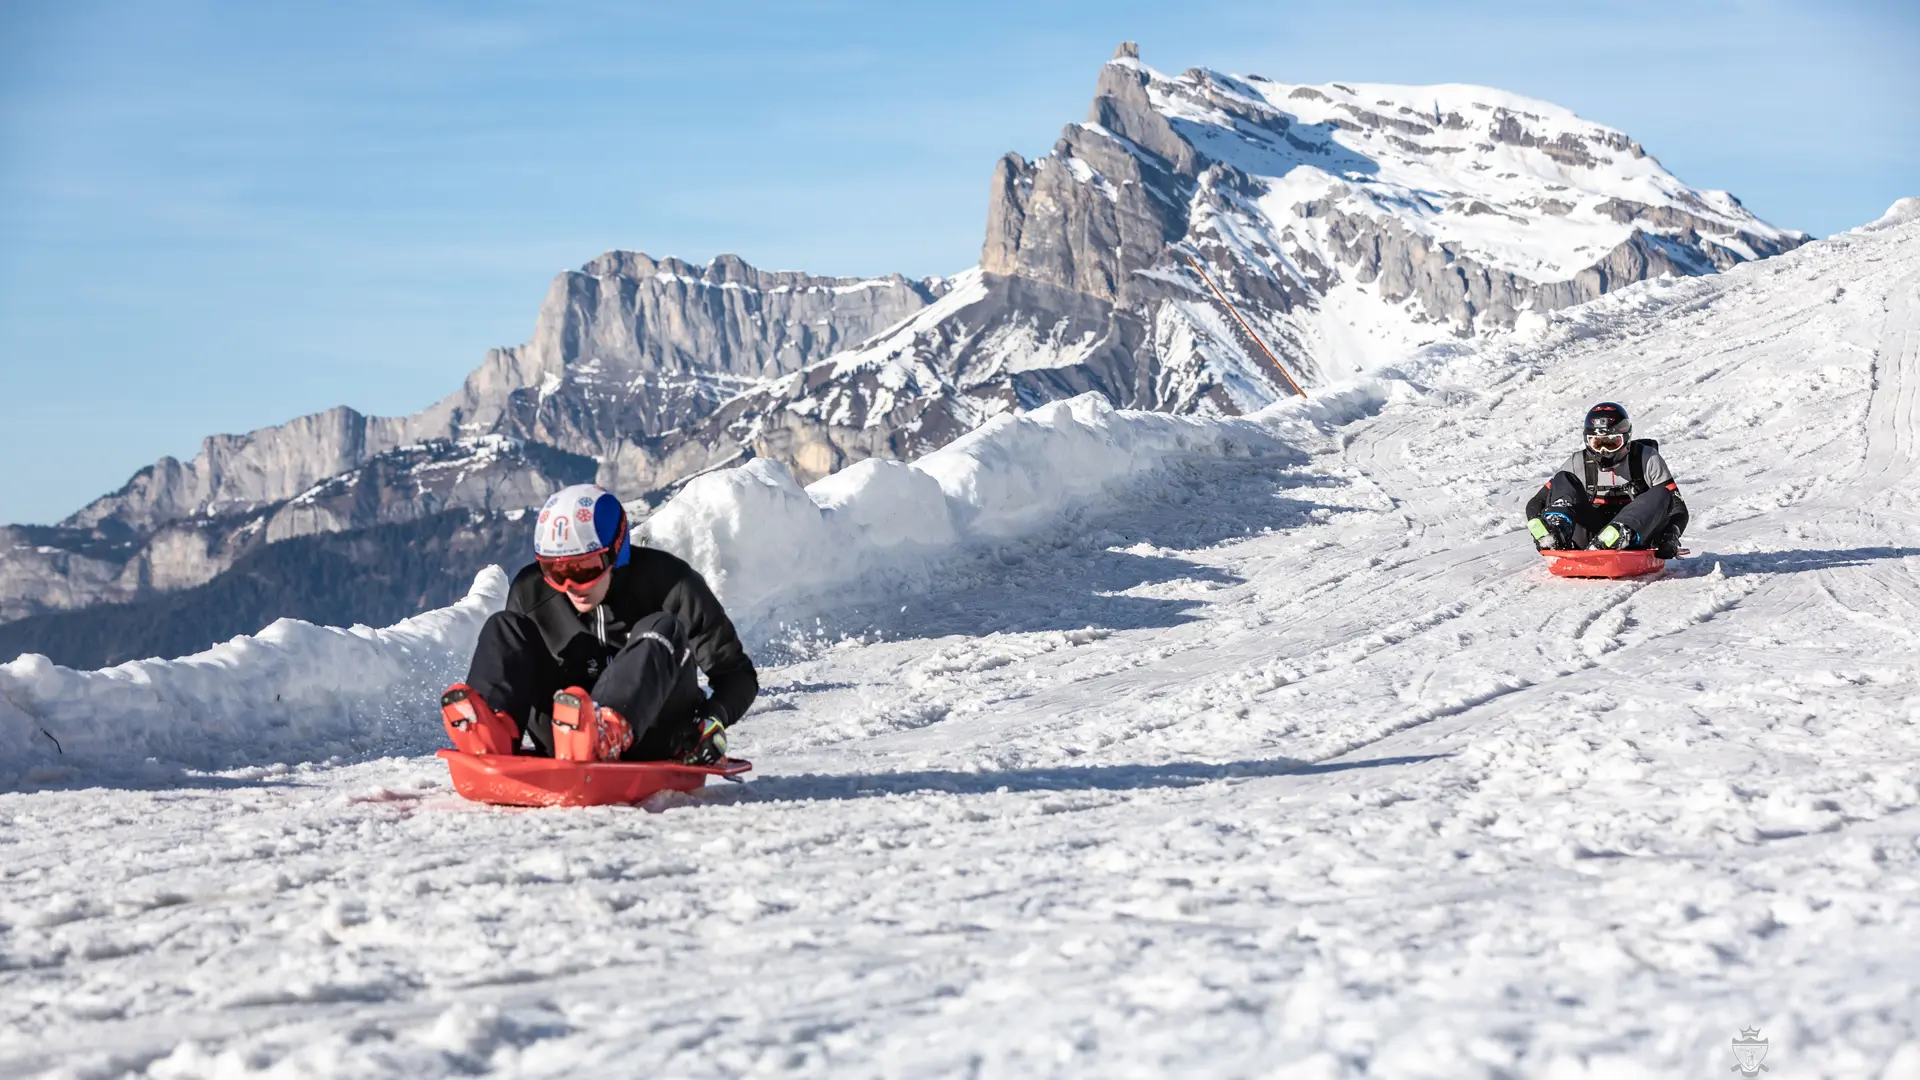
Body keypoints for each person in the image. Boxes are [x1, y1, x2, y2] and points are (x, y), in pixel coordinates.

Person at [439, 483, 757, 763]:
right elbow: (517, 671)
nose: (571, 585)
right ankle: (492, 732)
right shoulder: (531, 591)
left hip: (656, 735)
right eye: (555, 571)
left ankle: (607, 730)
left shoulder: (673, 584)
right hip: (564, 737)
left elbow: (737, 675)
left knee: (664, 627)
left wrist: (712, 719)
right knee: (504, 626)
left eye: (585, 568)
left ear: (616, 552)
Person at [1525, 402, 1689, 556]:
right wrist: (1541, 525)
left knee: (1662, 493)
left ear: (1626, 439)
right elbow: (1537, 502)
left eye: (1611, 443)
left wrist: (1670, 534)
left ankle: (1619, 535)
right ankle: (1557, 531)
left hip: (1636, 536)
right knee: (1563, 479)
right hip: (1590, 535)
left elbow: (1678, 507)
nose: (1604, 451)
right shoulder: (1577, 462)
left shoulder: (1647, 458)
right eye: (1597, 443)